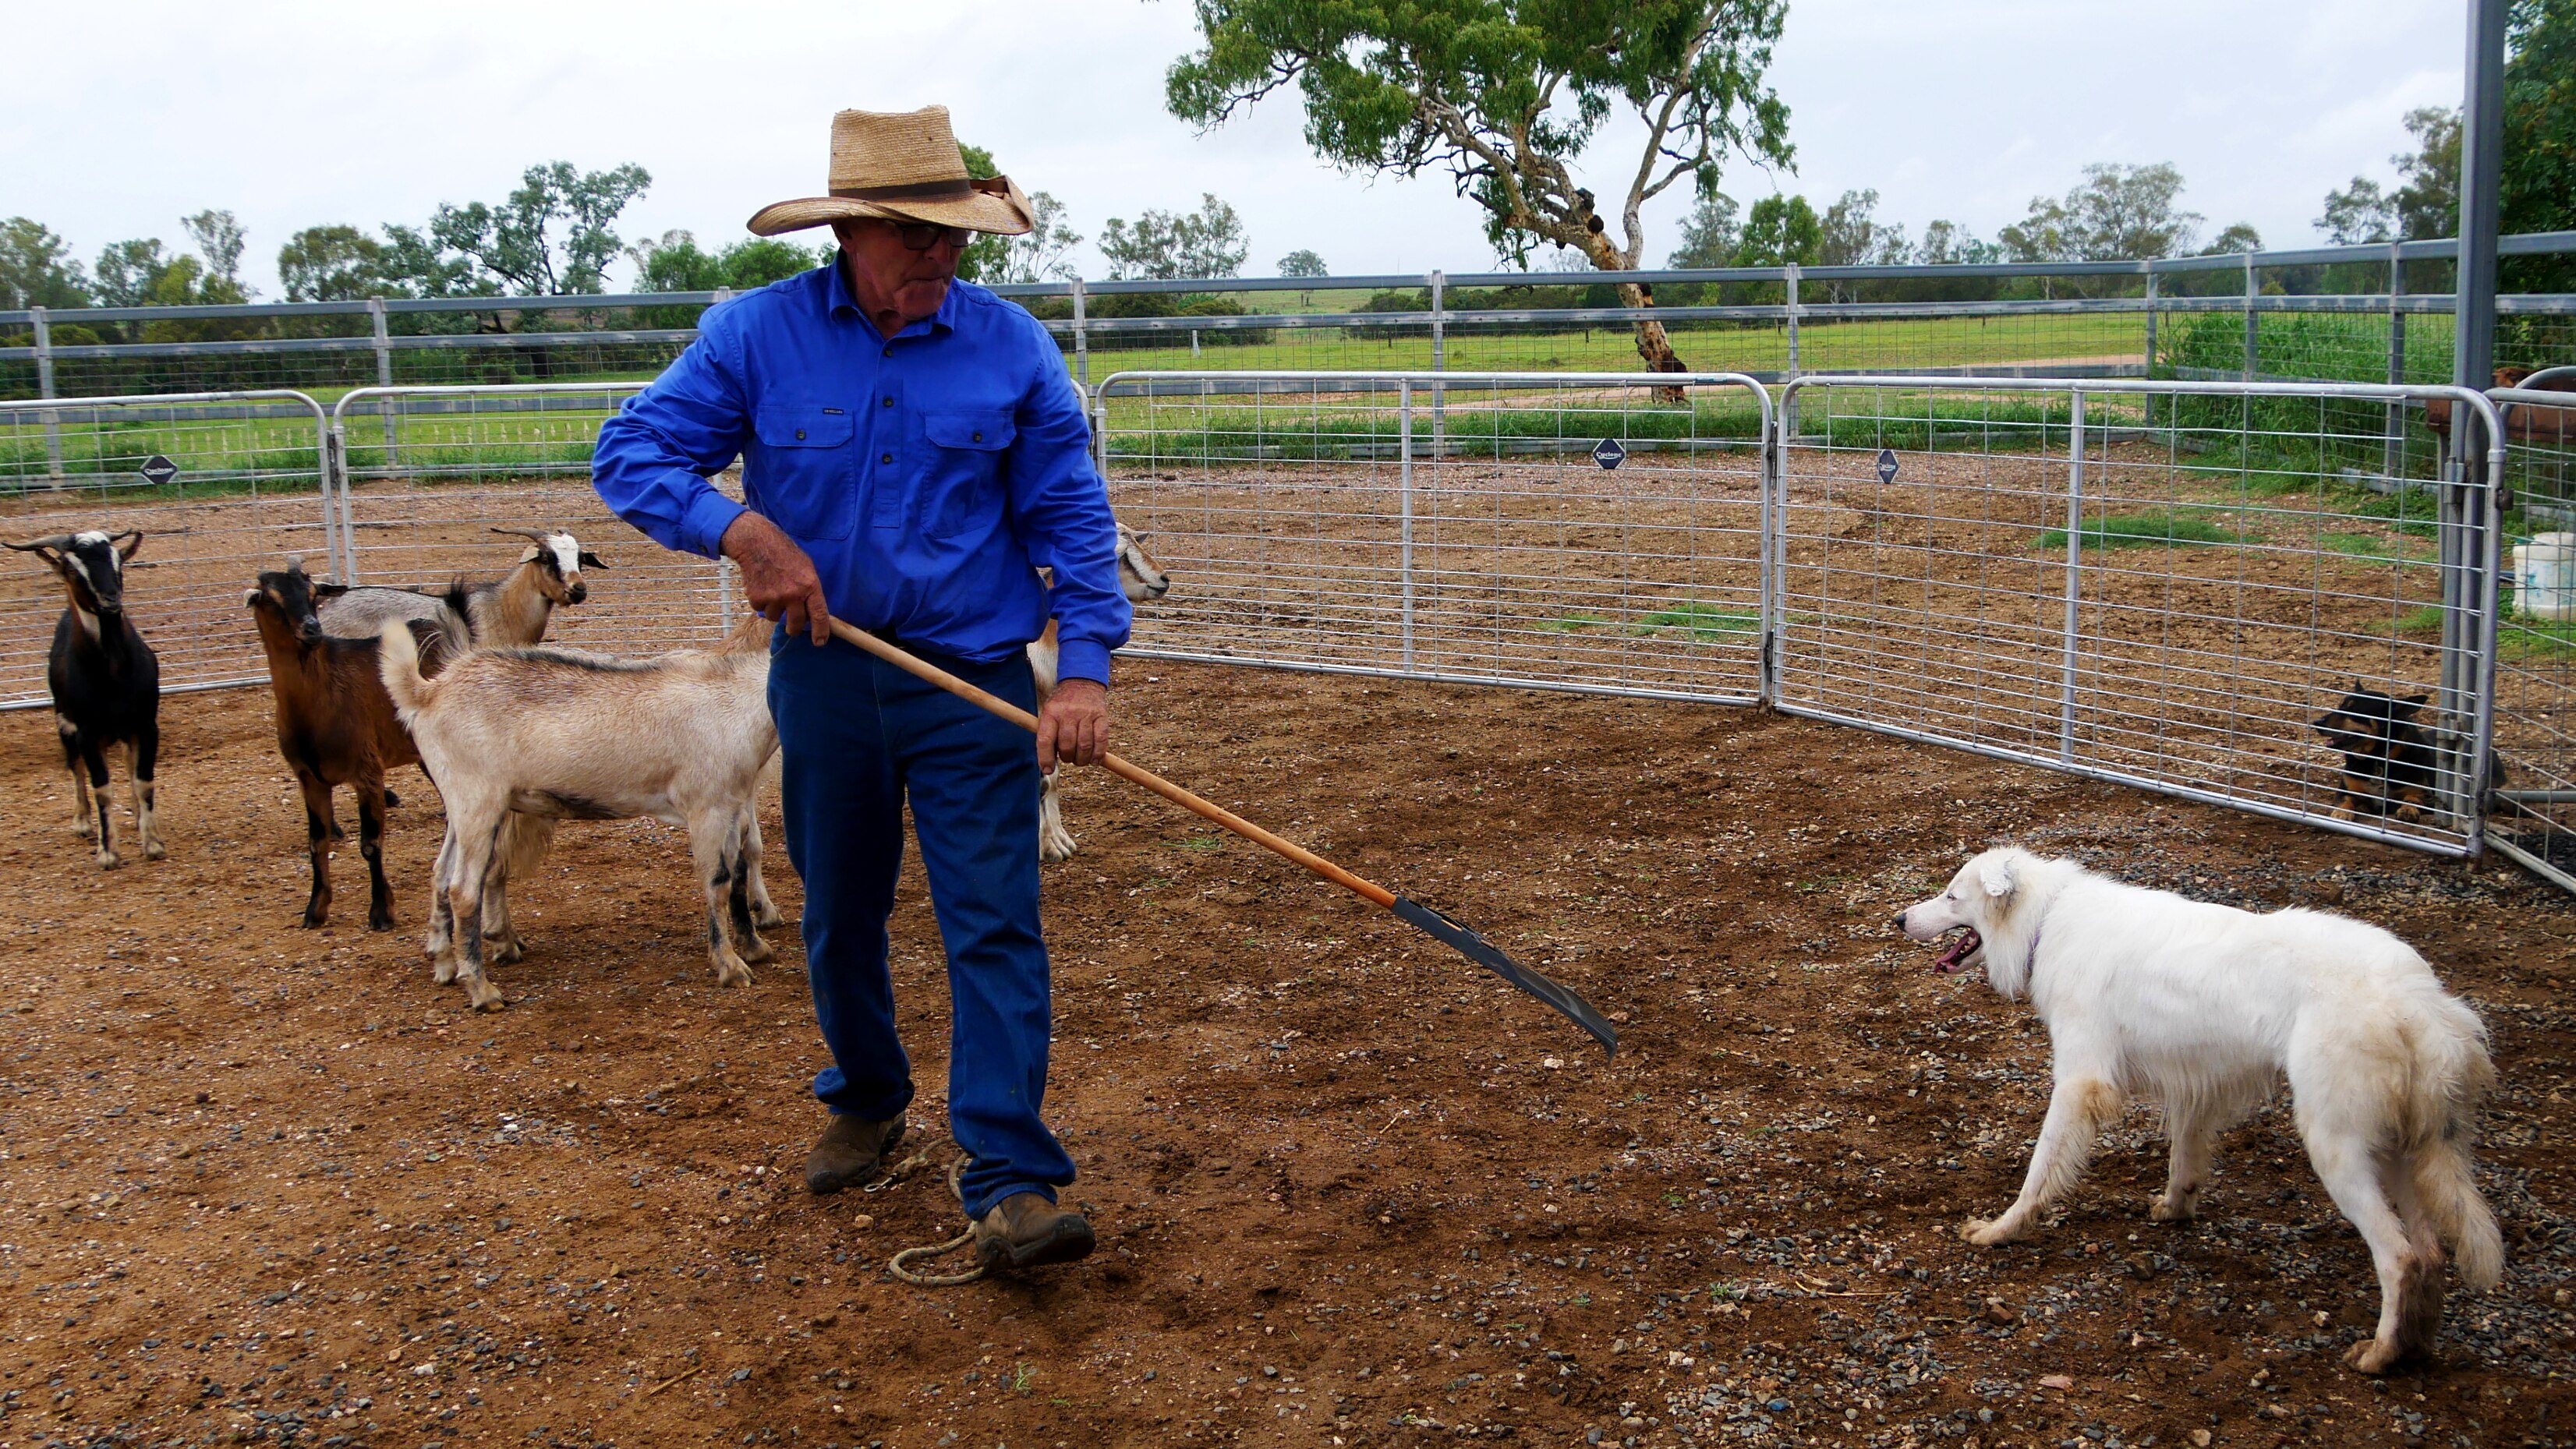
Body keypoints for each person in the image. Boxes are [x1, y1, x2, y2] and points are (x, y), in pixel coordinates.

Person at [590, 106, 1131, 1272]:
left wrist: (1081, 668)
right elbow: (630, 454)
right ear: (850, 231)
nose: (940, 258)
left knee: (993, 919)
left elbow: (1073, 517)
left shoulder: (1012, 347)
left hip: (970, 678)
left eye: (956, 239)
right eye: (914, 237)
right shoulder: (753, 337)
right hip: (830, 676)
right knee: (840, 908)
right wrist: (740, 530)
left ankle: (1011, 1177)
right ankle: (870, 1094)